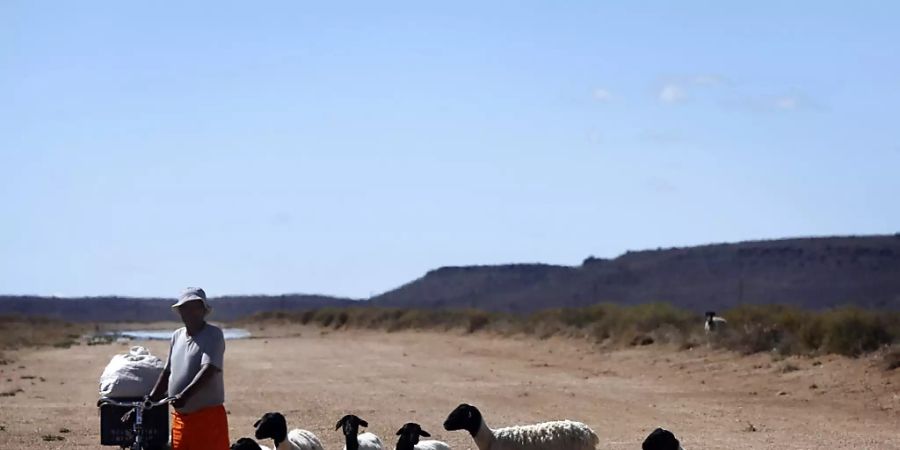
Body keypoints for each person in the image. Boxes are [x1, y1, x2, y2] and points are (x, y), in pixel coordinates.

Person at [149, 287, 229, 450]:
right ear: (180, 311)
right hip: (181, 420)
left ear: (204, 310)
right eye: (186, 307)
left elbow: (209, 369)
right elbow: (167, 371)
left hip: (208, 419)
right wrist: (151, 398)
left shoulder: (213, 335)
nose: (191, 312)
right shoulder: (177, 336)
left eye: (196, 307)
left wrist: (184, 395)